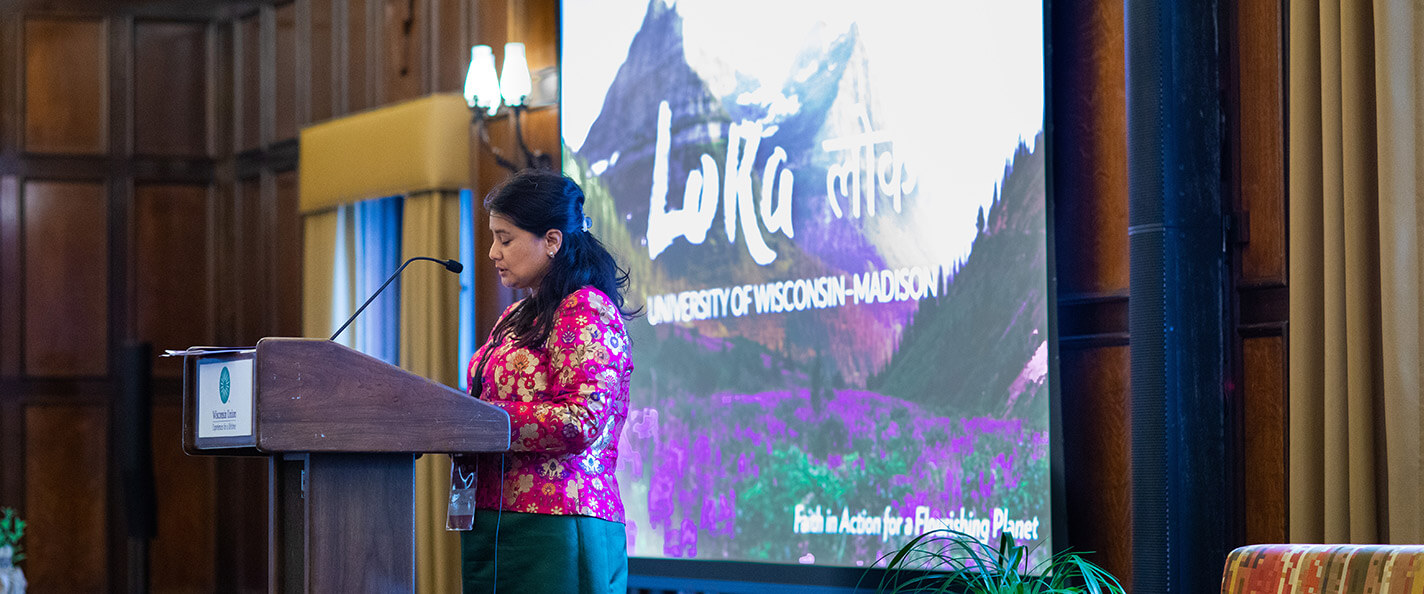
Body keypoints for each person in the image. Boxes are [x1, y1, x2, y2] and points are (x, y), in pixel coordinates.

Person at [455, 168, 637, 594]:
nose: (492, 253)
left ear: (552, 241)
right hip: (493, 518)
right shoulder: (517, 316)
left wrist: (479, 421)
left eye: (506, 238)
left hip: (558, 524)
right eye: (493, 238)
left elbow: (581, 419)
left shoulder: (585, 308)